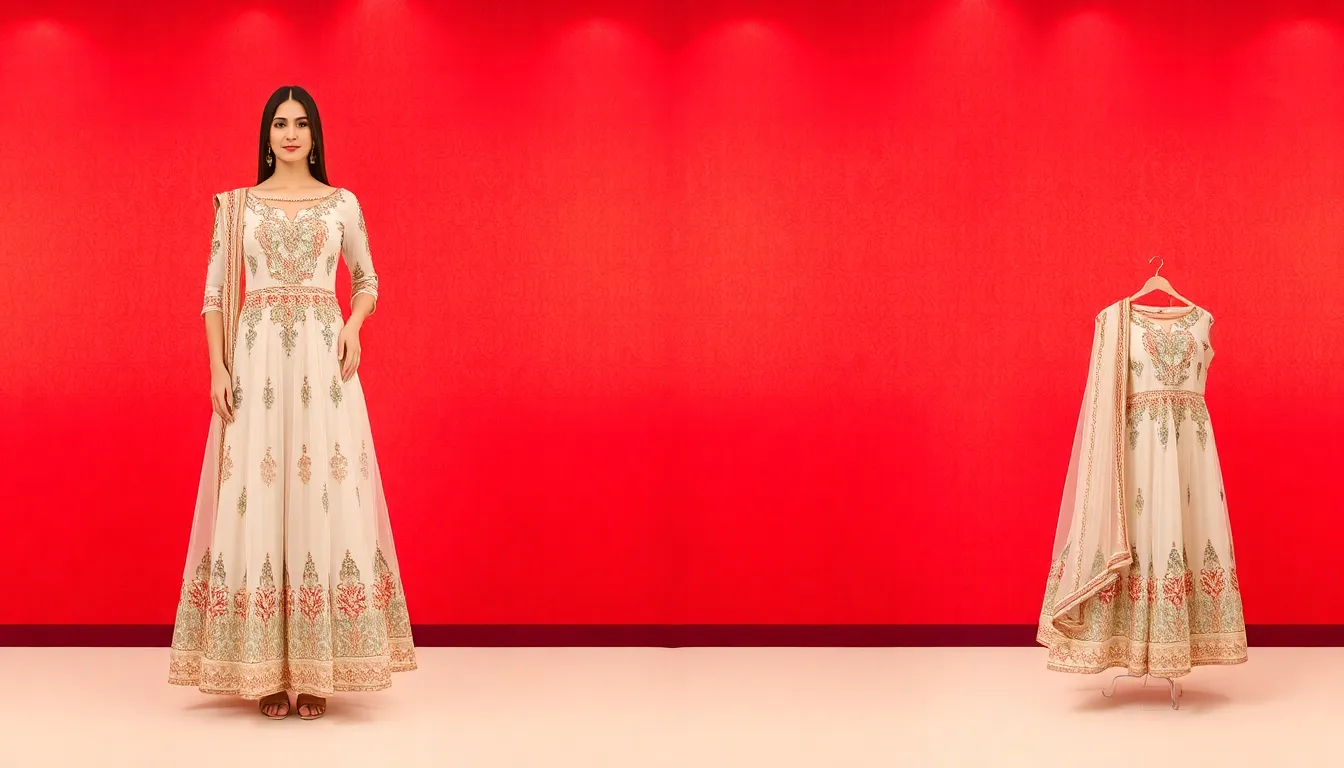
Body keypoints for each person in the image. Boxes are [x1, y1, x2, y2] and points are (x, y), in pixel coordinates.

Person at [168, 85, 417, 720]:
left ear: (314, 135)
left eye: (301, 123)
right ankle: (265, 672)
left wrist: (353, 325)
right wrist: (218, 367)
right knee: (258, 494)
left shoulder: (342, 204)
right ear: (267, 135)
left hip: (322, 364)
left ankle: (316, 667)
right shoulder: (238, 207)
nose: (290, 133)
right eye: (280, 123)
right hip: (256, 367)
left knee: (322, 494)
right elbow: (213, 295)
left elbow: (367, 279)